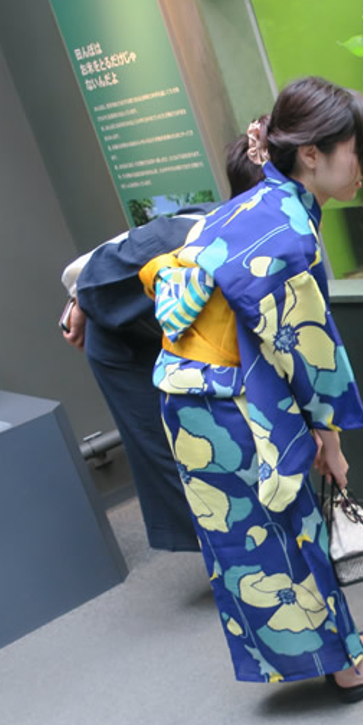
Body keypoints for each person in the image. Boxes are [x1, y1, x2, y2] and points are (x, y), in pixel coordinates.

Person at [141, 77, 363, 699]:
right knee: (281, 529)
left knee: (284, 528)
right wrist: (330, 439)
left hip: (202, 392)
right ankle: (348, 666)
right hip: (223, 402)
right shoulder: (287, 231)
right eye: (357, 150)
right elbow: (305, 351)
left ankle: (340, 642)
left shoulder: (263, 205)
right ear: (311, 154)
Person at [59, 124, 270, 552]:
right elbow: (100, 268)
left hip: (180, 334)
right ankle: (230, 553)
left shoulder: (272, 236)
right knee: (178, 447)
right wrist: (78, 300)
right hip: (122, 342)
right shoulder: (189, 236)